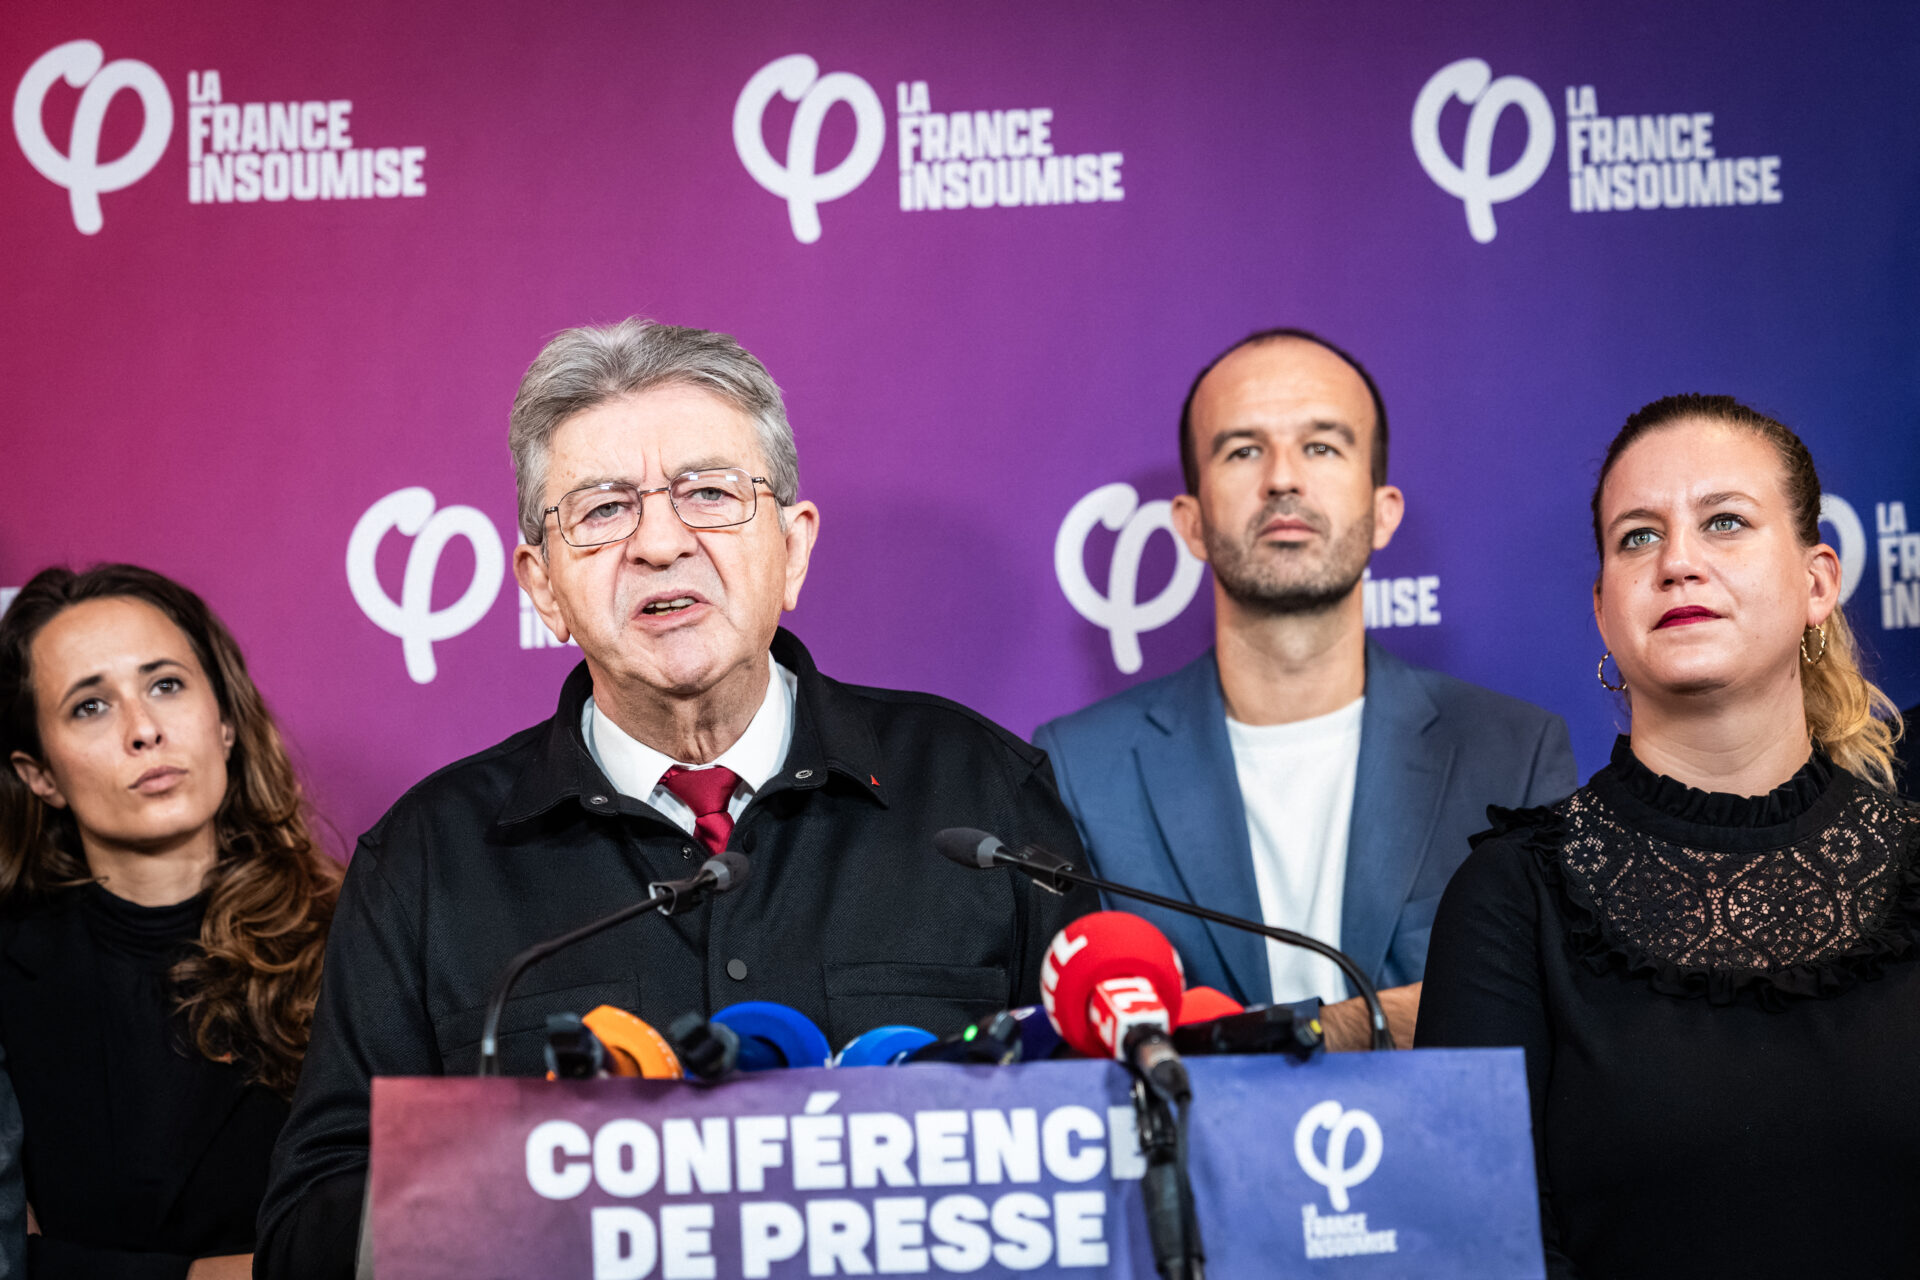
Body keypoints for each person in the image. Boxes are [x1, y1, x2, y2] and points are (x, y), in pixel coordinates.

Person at [256, 319, 1096, 1277]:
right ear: (543, 588)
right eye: (604, 510)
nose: (659, 542)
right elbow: (306, 1236)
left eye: (708, 493)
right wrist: (550, 1180)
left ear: (793, 548)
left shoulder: (982, 794)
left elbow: (1107, 1147)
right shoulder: (427, 862)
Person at [1417, 395, 1917, 1277]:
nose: (1679, 562)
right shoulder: (1512, 896)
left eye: (1724, 522)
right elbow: (1480, 1251)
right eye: (1638, 537)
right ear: (1605, 610)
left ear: (1818, 583)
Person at [1035, 329, 1575, 1047]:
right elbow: (1075, 1053)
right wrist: (1352, 1025)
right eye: (1243, 450)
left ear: (1384, 512)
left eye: (1322, 446)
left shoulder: (1512, 753)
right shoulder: (1080, 768)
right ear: (1189, 525)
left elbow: (1541, 1023)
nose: (1282, 479)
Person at [0, 565, 339, 1279]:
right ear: (40, 775)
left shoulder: (358, 939)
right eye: (90, 706)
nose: (145, 730)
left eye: (165, 685)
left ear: (223, 722)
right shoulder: (11, 974)